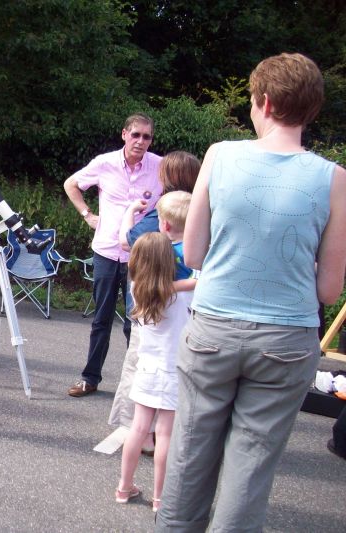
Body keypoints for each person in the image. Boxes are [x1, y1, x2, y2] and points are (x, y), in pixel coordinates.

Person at [157, 53, 346, 532]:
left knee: (189, 456)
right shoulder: (334, 179)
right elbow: (329, 289)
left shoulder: (220, 156)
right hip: (286, 343)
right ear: (312, 109)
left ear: (263, 101)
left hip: (214, 330)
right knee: (251, 467)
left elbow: (194, 252)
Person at [64, 113, 162, 397]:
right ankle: (90, 378)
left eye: (147, 137)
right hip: (106, 251)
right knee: (101, 319)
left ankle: (137, 385)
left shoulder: (160, 166)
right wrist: (87, 215)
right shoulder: (104, 163)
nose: (141, 141)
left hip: (141, 255)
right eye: (136, 135)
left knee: (138, 321)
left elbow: (174, 196)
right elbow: (71, 184)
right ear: (124, 134)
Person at [108, 153, 200, 445]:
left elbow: (127, 241)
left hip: (150, 305)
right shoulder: (200, 211)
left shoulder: (165, 209)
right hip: (186, 315)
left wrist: (130, 212)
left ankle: (139, 431)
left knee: (141, 363)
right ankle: (167, 432)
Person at [116, 207, 193, 513]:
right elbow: (194, 283)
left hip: (146, 369)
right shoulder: (176, 292)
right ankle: (160, 498)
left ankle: (124, 487)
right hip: (173, 371)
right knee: (165, 436)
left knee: (138, 429)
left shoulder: (138, 289)